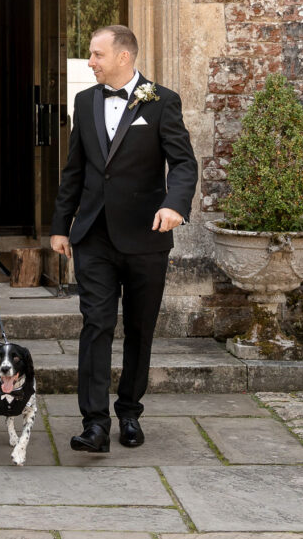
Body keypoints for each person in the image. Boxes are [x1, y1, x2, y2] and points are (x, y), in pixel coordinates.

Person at [50, 25, 197, 453]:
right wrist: (61, 225)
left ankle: (129, 411)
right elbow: (74, 170)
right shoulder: (84, 101)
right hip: (93, 234)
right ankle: (93, 423)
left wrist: (175, 204)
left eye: (96, 55)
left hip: (147, 235)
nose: (90, 62)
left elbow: (183, 163)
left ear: (124, 57)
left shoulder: (162, 101)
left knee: (139, 328)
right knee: (96, 324)